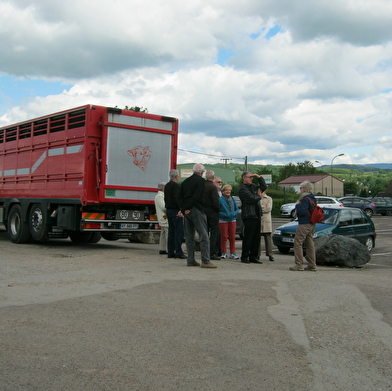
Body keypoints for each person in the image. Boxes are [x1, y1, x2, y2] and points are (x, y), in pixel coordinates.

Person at [177, 164, 217, 268]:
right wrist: (189, 207)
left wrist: (183, 209)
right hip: (197, 209)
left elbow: (179, 197)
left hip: (187, 211)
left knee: (189, 236)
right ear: (202, 172)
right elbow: (197, 196)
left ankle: (190, 260)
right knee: (204, 235)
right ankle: (205, 260)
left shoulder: (185, 182)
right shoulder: (200, 181)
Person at [238, 172, 267, 264]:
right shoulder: (243, 189)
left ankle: (253, 256)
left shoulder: (253, 187)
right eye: (249, 177)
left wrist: (259, 177)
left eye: (252, 177)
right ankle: (245, 256)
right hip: (249, 215)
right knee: (248, 237)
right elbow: (251, 199)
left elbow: (264, 187)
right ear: (244, 178)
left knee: (256, 237)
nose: (251, 179)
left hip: (256, 214)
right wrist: (259, 196)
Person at [289, 180, 317, 271]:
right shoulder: (312, 198)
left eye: (301, 188)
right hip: (312, 223)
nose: (300, 189)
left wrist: (297, 205)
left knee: (297, 243)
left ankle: (299, 264)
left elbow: (302, 211)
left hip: (304, 222)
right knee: (310, 243)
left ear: (305, 189)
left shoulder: (304, 199)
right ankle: (312, 264)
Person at [164, 169, 186, 259]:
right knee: (178, 232)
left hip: (169, 209)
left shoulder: (167, 185)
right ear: (177, 176)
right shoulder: (175, 186)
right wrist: (182, 209)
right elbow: (177, 198)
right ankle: (178, 252)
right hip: (175, 210)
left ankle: (170, 251)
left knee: (171, 232)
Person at [219, 185, 239, 259]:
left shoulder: (232, 199)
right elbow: (217, 210)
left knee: (232, 237)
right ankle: (223, 252)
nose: (228, 191)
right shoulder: (220, 199)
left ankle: (233, 252)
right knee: (224, 237)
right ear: (223, 191)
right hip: (223, 220)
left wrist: (234, 213)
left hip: (232, 220)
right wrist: (224, 214)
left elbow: (237, 209)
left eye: (229, 190)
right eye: (226, 190)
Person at [204, 170, 220, 260]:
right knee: (214, 232)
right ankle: (212, 252)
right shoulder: (212, 187)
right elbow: (215, 201)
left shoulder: (202, 185)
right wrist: (218, 209)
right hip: (212, 212)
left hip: (203, 211)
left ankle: (205, 251)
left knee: (204, 232)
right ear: (213, 177)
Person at [259, 188, 274, 262]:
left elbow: (269, 208)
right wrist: (263, 207)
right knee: (258, 239)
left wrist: (261, 208)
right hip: (259, 220)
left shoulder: (269, 198)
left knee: (268, 238)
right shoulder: (257, 198)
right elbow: (257, 208)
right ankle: (257, 254)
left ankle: (270, 254)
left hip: (266, 220)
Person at [154, 182, 168, 255]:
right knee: (167, 232)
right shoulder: (160, 196)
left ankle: (163, 248)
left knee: (163, 233)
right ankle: (168, 248)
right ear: (163, 188)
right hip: (164, 217)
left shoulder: (161, 196)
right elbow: (163, 207)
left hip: (164, 217)